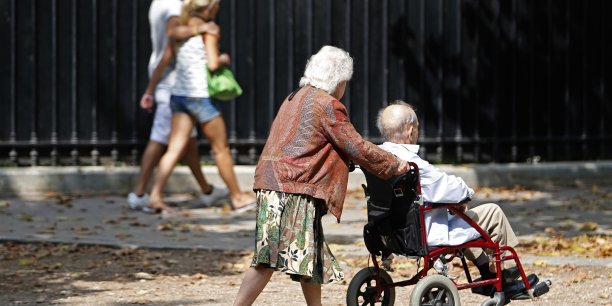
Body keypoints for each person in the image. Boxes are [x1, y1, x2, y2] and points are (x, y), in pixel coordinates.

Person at [232, 46, 410, 306]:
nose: (345, 88)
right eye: (345, 82)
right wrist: (395, 164)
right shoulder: (328, 105)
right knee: (267, 259)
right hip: (292, 188)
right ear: (338, 79)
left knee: (310, 258)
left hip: (275, 183)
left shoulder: (296, 96)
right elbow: (356, 146)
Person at [376, 101, 534, 294]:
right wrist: (465, 195)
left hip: (393, 232)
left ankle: (486, 270)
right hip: (425, 232)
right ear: (410, 132)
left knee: (462, 221)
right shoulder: (415, 165)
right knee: (493, 212)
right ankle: (502, 273)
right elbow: (454, 189)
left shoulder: (378, 158)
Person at [142, 0, 256, 214]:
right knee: (220, 149)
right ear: (209, 8)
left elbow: (164, 60)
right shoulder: (210, 30)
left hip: (179, 95)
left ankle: (154, 196)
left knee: (174, 148)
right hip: (200, 97)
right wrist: (224, 58)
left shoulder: (178, 30)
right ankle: (237, 197)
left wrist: (149, 90)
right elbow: (212, 63)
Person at [128, 0, 228, 212]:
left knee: (184, 143)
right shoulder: (174, 6)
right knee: (163, 141)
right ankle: (139, 194)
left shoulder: (159, 3)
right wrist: (203, 29)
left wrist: (148, 90)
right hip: (175, 83)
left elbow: (166, 49)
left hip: (173, 85)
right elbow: (173, 32)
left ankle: (206, 190)